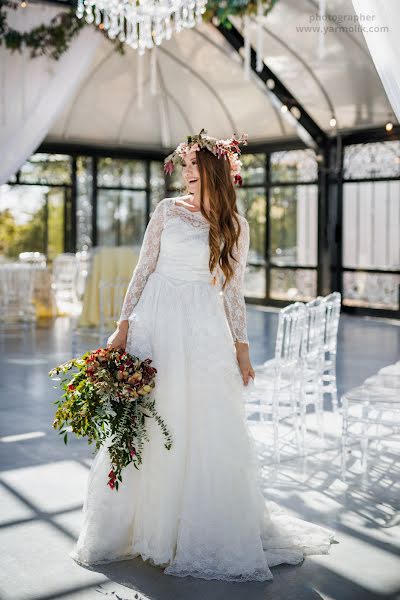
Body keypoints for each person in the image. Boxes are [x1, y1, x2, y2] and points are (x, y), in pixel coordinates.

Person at [71, 131, 334, 582]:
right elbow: (143, 268)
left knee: (199, 420)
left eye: (195, 168)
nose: (187, 175)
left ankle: (189, 530)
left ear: (215, 172)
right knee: (150, 418)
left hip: (201, 327)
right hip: (156, 320)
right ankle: (139, 526)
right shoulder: (166, 212)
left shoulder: (236, 226)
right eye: (185, 167)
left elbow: (233, 293)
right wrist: (123, 323)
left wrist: (242, 348)